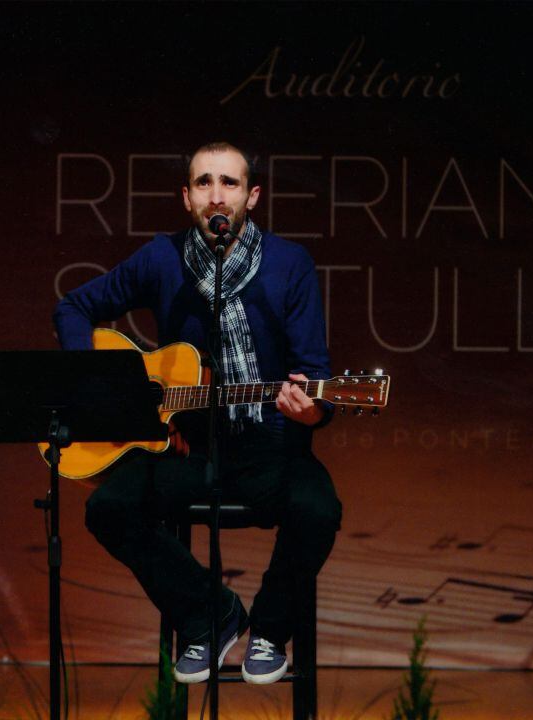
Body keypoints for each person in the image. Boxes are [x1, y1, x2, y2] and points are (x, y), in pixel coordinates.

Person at [53, 141, 342, 684]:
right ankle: (209, 614)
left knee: (319, 509)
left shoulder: (289, 265)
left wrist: (310, 412)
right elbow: (73, 306)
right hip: (191, 450)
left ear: (251, 197)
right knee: (108, 508)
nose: (217, 194)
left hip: (272, 449)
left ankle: (270, 631)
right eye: (204, 182)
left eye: (230, 183)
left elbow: (315, 376)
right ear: (187, 198)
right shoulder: (161, 259)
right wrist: (95, 381)